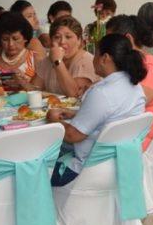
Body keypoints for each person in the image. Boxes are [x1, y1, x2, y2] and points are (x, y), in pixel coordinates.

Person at [46, 34, 147, 186]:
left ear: (104, 58)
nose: (93, 58)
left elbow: (72, 135)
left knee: (35, 172)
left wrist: (54, 120)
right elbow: (112, 115)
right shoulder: (135, 86)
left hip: (88, 169)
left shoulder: (101, 92)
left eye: (96, 53)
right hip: (123, 161)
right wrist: (77, 114)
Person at [106, 15, 153, 150]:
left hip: (138, 138)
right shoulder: (128, 66)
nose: (107, 49)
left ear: (128, 39)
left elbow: (128, 106)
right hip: (124, 131)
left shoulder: (151, 67)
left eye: (111, 42)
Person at [26, 16, 98, 98]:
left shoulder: (87, 61)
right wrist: (21, 82)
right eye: (57, 37)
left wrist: (58, 62)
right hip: (52, 109)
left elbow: (75, 95)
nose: (62, 42)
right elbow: (34, 90)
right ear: (51, 41)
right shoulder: (47, 61)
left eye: (68, 37)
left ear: (79, 41)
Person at [0, 11, 38, 91]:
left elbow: (41, 94)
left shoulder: (35, 59)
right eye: (5, 39)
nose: (11, 44)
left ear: (25, 38)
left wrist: (22, 83)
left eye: (15, 38)